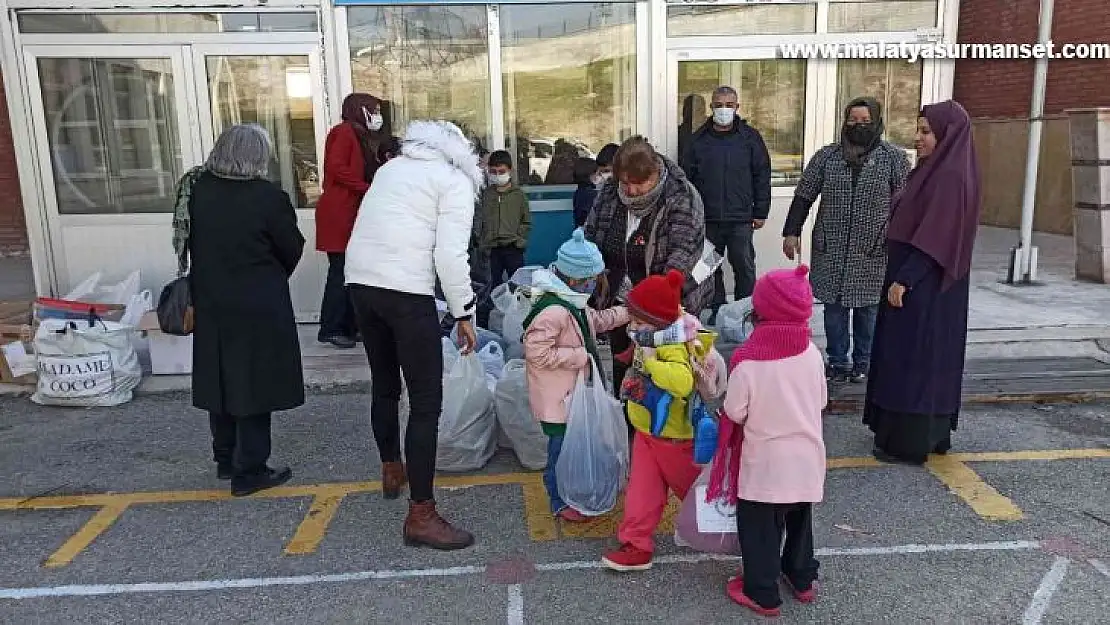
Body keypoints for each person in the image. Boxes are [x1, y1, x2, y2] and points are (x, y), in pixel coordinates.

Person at [345, 120, 481, 550]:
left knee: (384, 385)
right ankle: (421, 514)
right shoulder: (454, 181)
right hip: (405, 291)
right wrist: (464, 312)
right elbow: (450, 253)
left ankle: (392, 468)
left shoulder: (391, 169)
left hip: (360, 283)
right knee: (426, 403)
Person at [173, 124, 306, 497]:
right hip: (257, 301)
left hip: (211, 298)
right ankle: (250, 470)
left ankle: (225, 458)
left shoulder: (198, 190)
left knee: (221, 378)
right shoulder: (267, 197)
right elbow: (290, 247)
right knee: (254, 384)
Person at [864, 100, 981, 466]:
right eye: (918, 131)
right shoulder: (935, 170)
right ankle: (929, 433)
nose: (918, 139)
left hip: (925, 286)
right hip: (923, 283)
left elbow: (937, 236)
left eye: (926, 132)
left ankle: (908, 442)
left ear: (947, 135)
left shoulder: (950, 177)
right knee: (920, 357)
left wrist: (904, 280)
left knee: (915, 359)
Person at [715, 264, 827, 617]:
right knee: (799, 522)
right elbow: (821, 401)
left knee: (760, 528)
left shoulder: (748, 361)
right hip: (807, 460)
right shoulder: (812, 354)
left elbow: (734, 411)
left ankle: (762, 590)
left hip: (764, 467)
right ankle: (802, 577)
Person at [783, 97, 911, 383]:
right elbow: (804, 195)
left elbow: (907, 205)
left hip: (873, 248)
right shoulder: (827, 156)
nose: (858, 126)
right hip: (832, 247)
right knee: (834, 308)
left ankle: (864, 362)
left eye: (865, 121)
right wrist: (791, 231)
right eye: (853, 120)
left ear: (877, 122)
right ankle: (837, 362)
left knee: (868, 309)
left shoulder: (894, 159)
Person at [602, 270, 723, 572]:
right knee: (641, 491)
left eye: (638, 322)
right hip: (649, 431)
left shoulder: (668, 343)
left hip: (674, 438)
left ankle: (728, 527)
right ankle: (636, 543)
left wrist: (653, 362)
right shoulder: (657, 334)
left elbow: (682, 382)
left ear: (656, 322)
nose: (632, 326)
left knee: (695, 491)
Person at [584, 136, 713, 394]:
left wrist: (656, 308)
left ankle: (663, 428)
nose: (630, 191)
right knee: (624, 363)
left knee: (662, 369)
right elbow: (592, 233)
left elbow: (682, 253)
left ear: (655, 173)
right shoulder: (610, 192)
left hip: (665, 301)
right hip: (622, 297)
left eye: (639, 183)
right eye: (625, 183)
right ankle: (628, 419)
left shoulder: (681, 196)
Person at [521, 228, 629, 523]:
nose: (595, 285)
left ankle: (575, 489)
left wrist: (629, 312)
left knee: (574, 445)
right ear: (577, 279)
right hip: (558, 400)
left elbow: (597, 321)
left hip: (571, 395)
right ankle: (558, 499)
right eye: (593, 280)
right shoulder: (554, 311)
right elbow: (536, 353)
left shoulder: (572, 303)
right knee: (560, 451)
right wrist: (579, 357)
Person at [681, 85, 772, 319]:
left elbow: (762, 174)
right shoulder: (697, 140)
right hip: (708, 219)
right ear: (711, 108)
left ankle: (746, 311)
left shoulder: (750, 139)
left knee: (744, 266)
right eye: (719, 105)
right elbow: (686, 181)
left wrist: (760, 211)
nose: (724, 109)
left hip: (740, 218)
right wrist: (691, 216)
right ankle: (717, 309)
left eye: (729, 105)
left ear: (737, 107)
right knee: (709, 268)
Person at [314, 93, 384, 349]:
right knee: (340, 271)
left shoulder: (359, 135)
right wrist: (367, 188)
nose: (377, 116)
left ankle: (349, 325)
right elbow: (337, 168)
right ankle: (331, 327)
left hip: (349, 211)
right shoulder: (343, 132)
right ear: (361, 110)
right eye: (373, 110)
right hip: (340, 212)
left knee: (350, 271)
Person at [480, 150, 532, 290]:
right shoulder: (486, 195)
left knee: (519, 287)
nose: (497, 175)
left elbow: (526, 221)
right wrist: (483, 243)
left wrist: (519, 240)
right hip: (491, 250)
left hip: (513, 249)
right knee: (491, 287)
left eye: (501, 171)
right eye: (493, 171)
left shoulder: (519, 195)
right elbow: (480, 221)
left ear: (510, 170)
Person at [572, 157, 599, 228]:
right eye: (596, 173)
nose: (598, 176)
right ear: (590, 175)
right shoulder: (591, 195)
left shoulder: (579, 192)